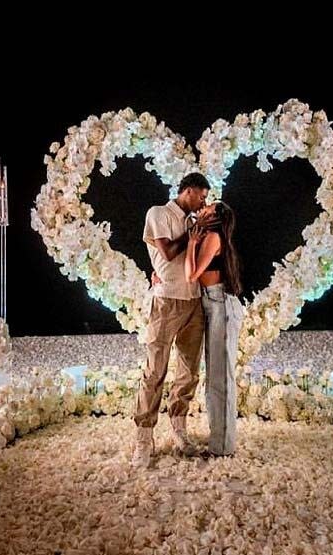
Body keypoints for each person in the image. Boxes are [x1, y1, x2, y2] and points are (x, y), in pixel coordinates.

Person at [132, 173, 210, 467]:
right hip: (166, 301)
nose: (203, 201)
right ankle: (143, 438)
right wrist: (193, 232)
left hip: (194, 301)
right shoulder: (159, 213)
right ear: (188, 191)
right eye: (201, 196)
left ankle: (179, 430)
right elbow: (166, 251)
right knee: (155, 370)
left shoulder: (194, 223)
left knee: (189, 371)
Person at [184, 201, 244, 456]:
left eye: (210, 207)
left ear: (215, 217)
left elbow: (191, 275)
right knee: (215, 377)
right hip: (212, 303)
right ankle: (218, 441)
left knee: (221, 377)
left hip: (221, 305)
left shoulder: (212, 237)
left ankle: (223, 447)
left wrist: (191, 243)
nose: (204, 206)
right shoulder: (207, 235)